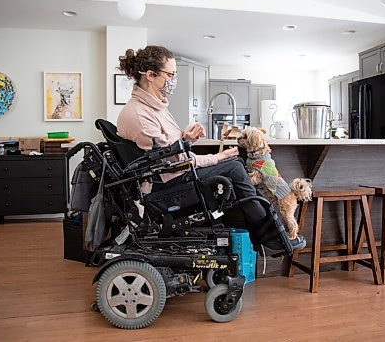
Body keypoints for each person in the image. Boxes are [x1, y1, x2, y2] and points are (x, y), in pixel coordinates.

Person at [116, 45, 305, 253]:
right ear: (150, 75)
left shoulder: (156, 106)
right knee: (234, 166)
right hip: (165, 186)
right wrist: (216, 157)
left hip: (172, 174)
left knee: (236, 165)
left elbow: (165, 151)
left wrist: (185, 138)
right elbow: (170, 163)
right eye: (170, 74)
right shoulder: (139, 114)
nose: (173, 80)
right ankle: (269, 236)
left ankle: (264, 234)